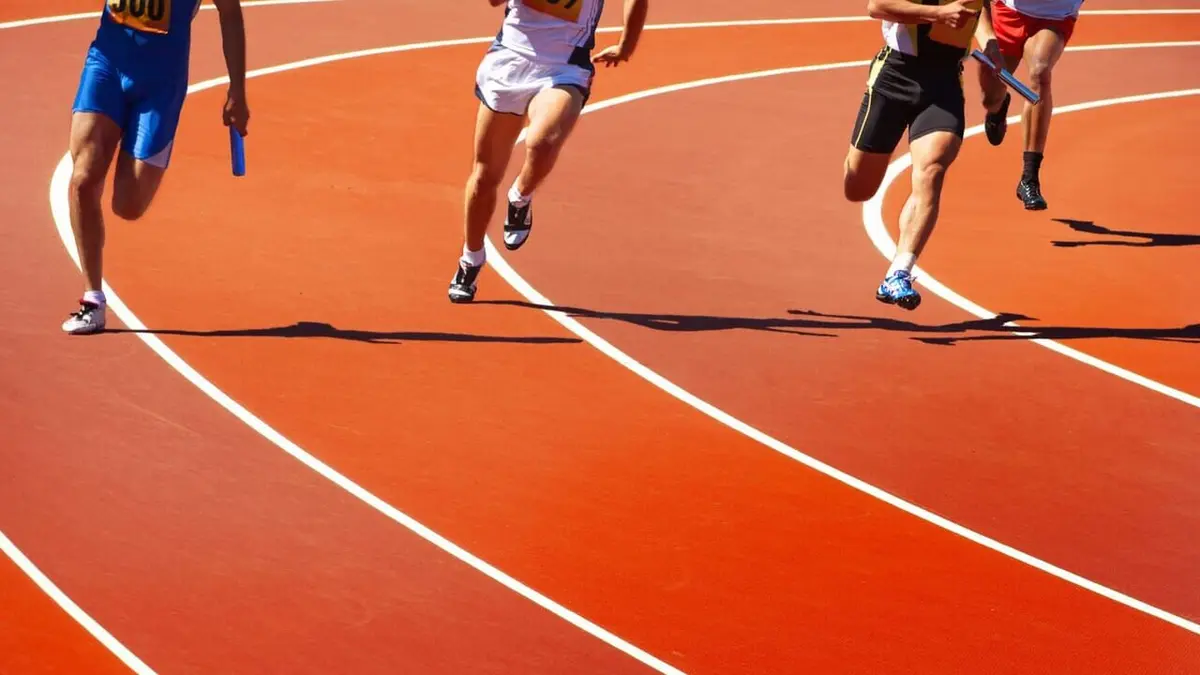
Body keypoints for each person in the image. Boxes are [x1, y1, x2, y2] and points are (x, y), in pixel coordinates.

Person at [62, 0, 250, 335]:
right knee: (83, 180)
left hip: (160, 85)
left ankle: (141, 141)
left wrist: (237, 89)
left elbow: (230, 12)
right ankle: (93, 299)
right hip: (106, 64)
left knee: (128, 205)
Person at [448, 0, 649, 303]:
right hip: (509, 60)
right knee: (485, 177)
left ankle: (521, 195)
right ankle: (471, 258)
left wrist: (626, 46)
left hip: (564, 67)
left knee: (543, 142)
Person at [843, 0, 1003, 310]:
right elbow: (876, 6)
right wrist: (939, 14)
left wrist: (990, 43)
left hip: (943, 85)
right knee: (858, 188)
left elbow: (978, 8)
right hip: (895, 75)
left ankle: (899, 272)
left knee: (932, 169)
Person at [979, 0, 1083, 210]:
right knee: (990, 98)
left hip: (1055, 15)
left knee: (1040, 72)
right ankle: (998, 107)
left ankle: (1029, 177)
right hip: (1007, 12)